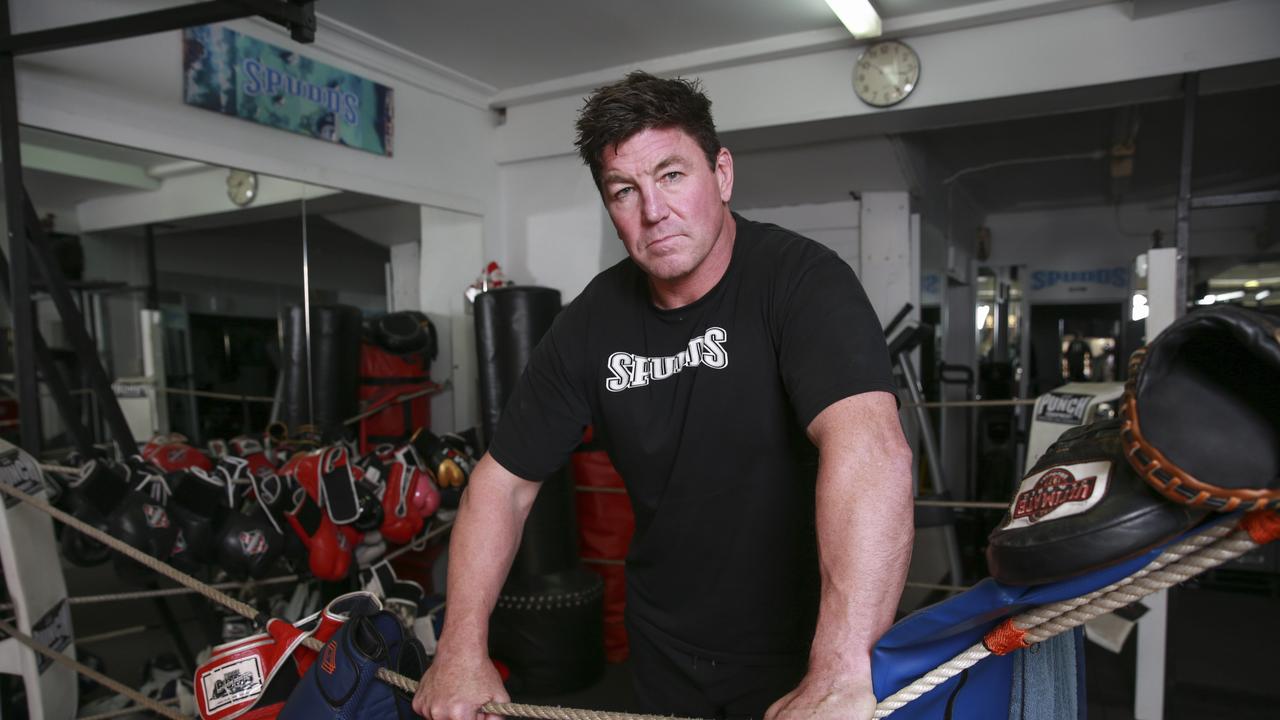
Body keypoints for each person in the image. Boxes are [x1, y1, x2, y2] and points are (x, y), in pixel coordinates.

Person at [413, 71, 914, 720]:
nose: (653, 210)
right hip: (666, 650)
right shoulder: (591, 324)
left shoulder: (801, 282)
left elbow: (871, 448)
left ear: (722, 174)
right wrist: (459, 648)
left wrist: (843, 667)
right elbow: (501, 484)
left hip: (806, 644)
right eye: (625, 190)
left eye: (673, 175)